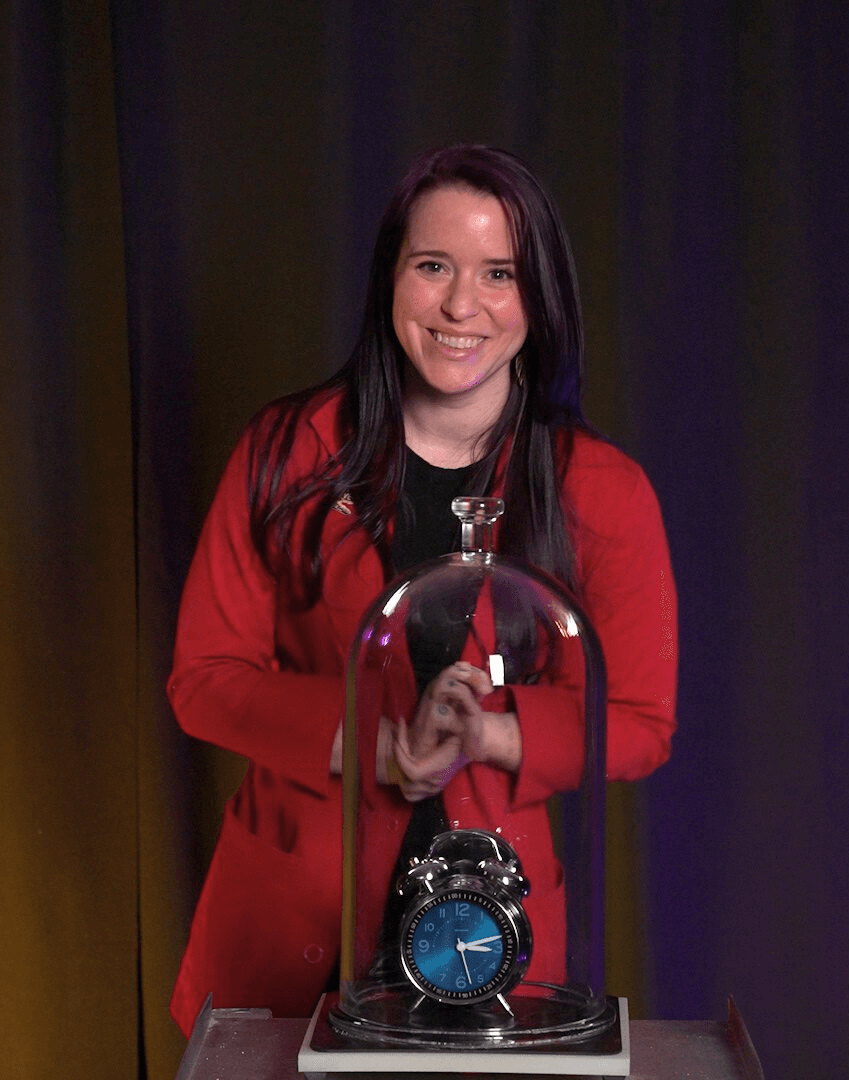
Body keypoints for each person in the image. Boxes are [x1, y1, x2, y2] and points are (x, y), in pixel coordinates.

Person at [166, 145, 677, 1033]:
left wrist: (493, 733)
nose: (460, 306)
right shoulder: (284, 452)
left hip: (496, 938)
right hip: (288, 926)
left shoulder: (604, 489)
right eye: (432, 266)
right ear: (390, 279)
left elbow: (638, 720)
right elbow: (203, 679)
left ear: (540, 297)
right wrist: (381, 744)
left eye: (499, 274)